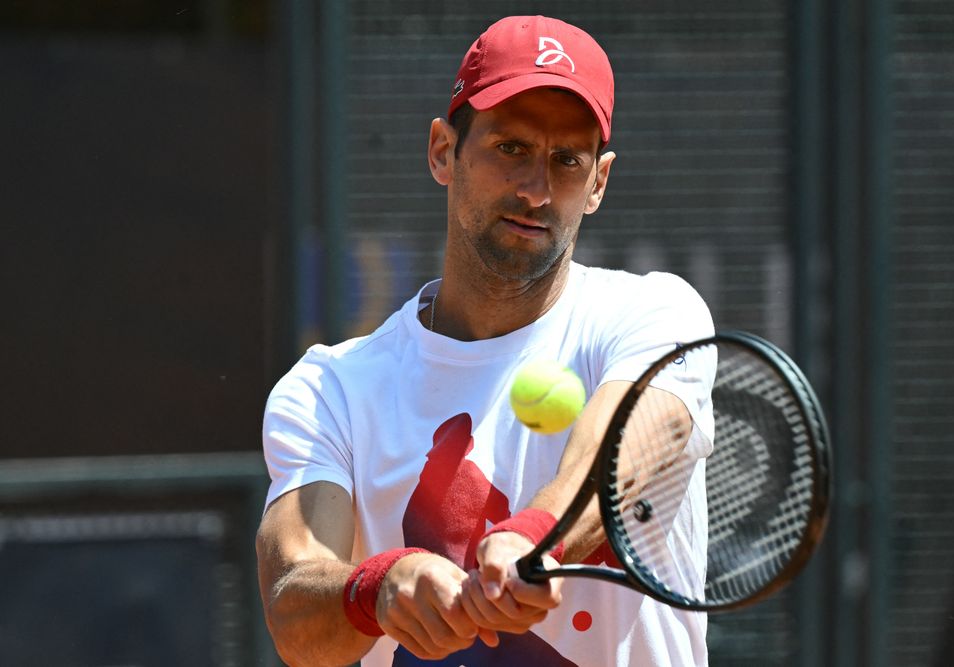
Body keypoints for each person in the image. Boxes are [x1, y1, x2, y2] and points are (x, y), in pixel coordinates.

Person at [255, 14, 715, 667]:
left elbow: (628, 448)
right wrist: (375, 588)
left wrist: (535, 537)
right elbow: (294, 609)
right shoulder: (330, 387)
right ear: (443, 150)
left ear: (599, 182)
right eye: (510, 148)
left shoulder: (655, 313)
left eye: (566, 161)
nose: (535, 189)